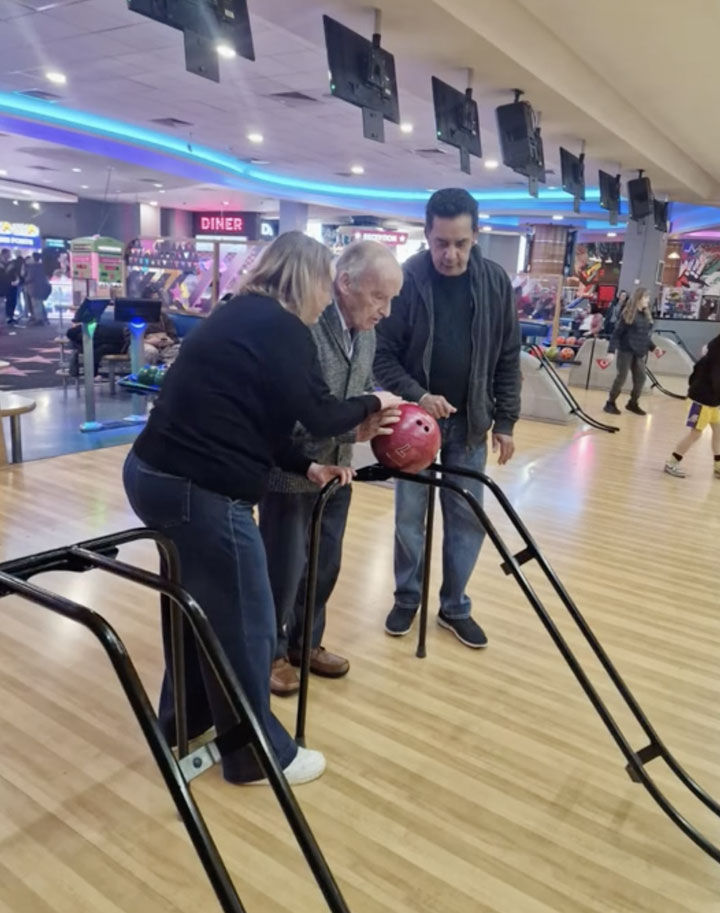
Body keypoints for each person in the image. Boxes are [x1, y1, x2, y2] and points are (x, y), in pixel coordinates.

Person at [123, 231, 400, 786]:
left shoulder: (239, 315)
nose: (327, 299)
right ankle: (256, 754)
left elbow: (262, 420)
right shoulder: (281, 327)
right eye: (328, 284)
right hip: (198, 489)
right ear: (312, 279)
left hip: (154, 474)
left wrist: (306, 467)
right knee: (250, 620)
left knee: (197, 611)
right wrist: (377, 401)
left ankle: (187, 725)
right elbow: (320, 413)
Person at [374, 188, 522, 649]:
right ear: (427, 234)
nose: (450, 254)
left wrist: (507, 422)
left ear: (476, 234)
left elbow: (508, 356)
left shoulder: (495, 282)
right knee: (408, 520)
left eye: (460, 242)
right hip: (413, 427)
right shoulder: (407, 279)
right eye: (441, 243)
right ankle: (407, 596)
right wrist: (419, 395)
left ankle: (455, 606)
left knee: (465, 519)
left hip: (472, 424)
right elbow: (382, 357)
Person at [259, 241, 403, 696]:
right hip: (290, 472)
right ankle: (271, 655)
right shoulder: (304, 323)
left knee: (323, 566)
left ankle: (306, 644)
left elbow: (355, 396)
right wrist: (352, 429)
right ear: (345, 283)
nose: (386, 310)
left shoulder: (367, 333)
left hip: (338, 474)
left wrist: (376, 423)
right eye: (379, 297)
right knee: (282, 570)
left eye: (391, 299)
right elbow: (294, 411)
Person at [664, 334, 720, 479]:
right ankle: (672, 462)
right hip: (702, 400)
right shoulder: (715, 357)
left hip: (712, 400)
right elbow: (715, 380)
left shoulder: (712, 349)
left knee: (718, 430)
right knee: (696, 433)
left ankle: (718, 465)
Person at [604, 287, 660, 416]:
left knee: (641, 378)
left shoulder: (646, 316)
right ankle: (610, 403)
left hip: (639, 352)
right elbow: (616, 334)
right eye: (645, 297)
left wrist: (654, 347)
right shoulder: (627, 314)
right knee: (621, 377)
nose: (648, 300)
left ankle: (633, 403)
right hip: (626, 350)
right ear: (638, 299)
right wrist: (611, 351)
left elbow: (645, 336)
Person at [24, 252, 51, 325]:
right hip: (42, 287)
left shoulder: (32, 267)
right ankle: (44, 318)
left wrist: (25, 280)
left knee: (36, 304)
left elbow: (29, 278)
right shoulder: (42, 266)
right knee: (40, 303)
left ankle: (39, 319)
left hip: (34, 288)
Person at [5, 254, 26, 325]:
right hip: (17, 283)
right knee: (14, 300)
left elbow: (8, 272)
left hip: (11, 284)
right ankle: (15, 314)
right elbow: (22, 274)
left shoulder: (11, 264)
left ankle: (10, 315)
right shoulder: (22, 264)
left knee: (13, 300)